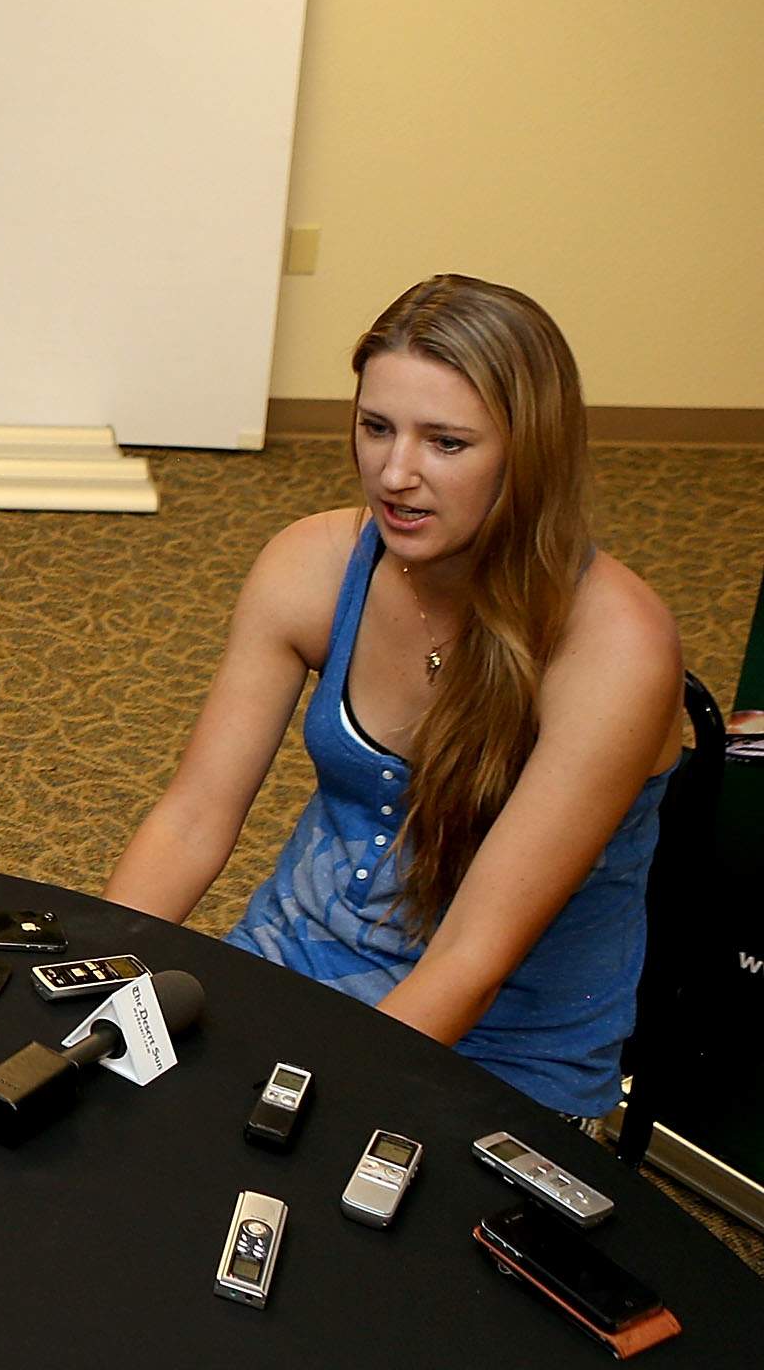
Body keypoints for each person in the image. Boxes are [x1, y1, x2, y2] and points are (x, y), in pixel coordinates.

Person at [105, 276, 683, 1117]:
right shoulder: (313, 562)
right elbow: (194, 819)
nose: (396, 473)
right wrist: (93, 978)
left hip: (498, 1050)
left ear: (531, 452)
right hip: (288, 967)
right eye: (376, 428)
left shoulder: (615, 647)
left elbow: (471, 960)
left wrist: (294, 1109)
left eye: (447, 443)